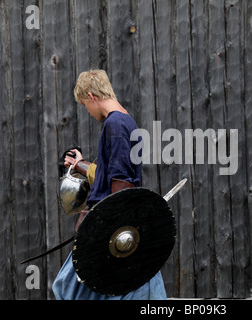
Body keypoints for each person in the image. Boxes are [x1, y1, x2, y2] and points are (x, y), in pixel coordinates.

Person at [52, 69, 167, 300]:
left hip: (112, 230)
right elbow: (109, 173)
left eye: (85, 104)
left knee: (70, 289)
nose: (87, 110)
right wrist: (79, 164)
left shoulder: (117, 125)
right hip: (112, 226)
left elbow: (122, 182)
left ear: (92, 97)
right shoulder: (122, 122)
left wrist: (109, 229)